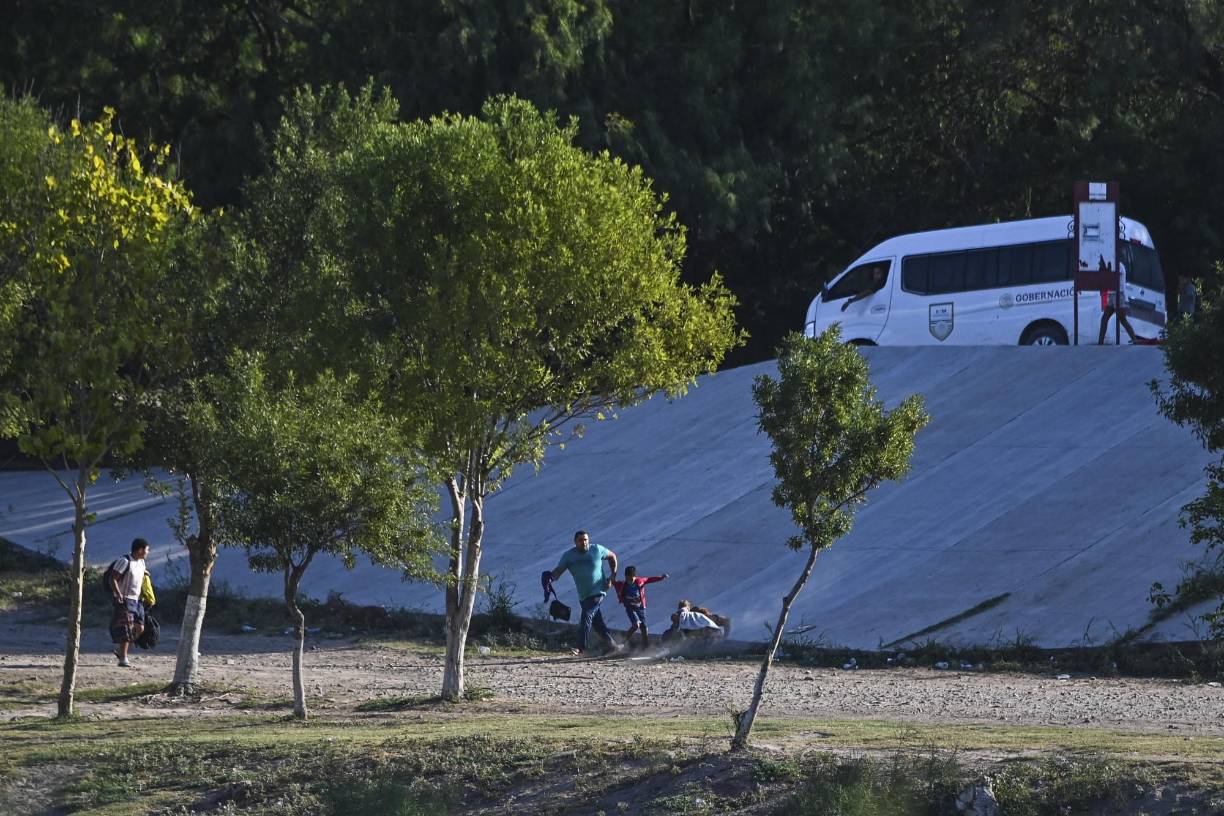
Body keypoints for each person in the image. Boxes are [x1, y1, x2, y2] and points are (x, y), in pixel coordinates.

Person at [546, 530, 621, 656]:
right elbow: (558, 571)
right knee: (598, 624)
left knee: (586, 616)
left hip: (598, 591)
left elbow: (612, 556)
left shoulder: (596, 549)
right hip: (583, 594)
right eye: (580, 540)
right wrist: (549, 579)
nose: (584, 542)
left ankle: (581, 648)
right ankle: (613, 646)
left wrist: (612, 576)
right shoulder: (569, 556)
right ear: (575, 542)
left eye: (586, 539)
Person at [108, 538, 150, 667]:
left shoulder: (142, 562)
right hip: (124, 599)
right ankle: (123, 658)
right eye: (147, 550)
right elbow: (112, 578)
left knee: (140, 628)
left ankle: (121, 651)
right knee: (126, 628)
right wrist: (119, 594)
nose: (148, 552)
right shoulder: (124, 562)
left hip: (137, 601)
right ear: (140, 550)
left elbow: (142, 575)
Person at [611, 566, 667, 650]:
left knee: (644, 627)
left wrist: (661, 578)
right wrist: (611, 577)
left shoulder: (639, 581)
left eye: (631, 579)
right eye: (627, 579)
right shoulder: (622, 584)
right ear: (625, 577)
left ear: (635, 577)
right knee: (636, 624)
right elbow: (613, 582)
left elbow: (649, 579)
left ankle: (645, 646)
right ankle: (622, 643)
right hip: (630, 607)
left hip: (640, 607)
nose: (629, 581)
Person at [1098, 260, 1138, 345]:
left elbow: (1112, 277)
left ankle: (1134, 339)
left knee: (1122, 319)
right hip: (1112, 295)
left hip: (1119, 295)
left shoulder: (1118, 265)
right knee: (1104, 319)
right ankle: (1100, 342)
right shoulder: (1112, 265)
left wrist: (1104, 269)